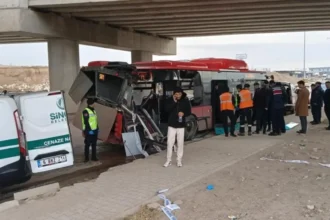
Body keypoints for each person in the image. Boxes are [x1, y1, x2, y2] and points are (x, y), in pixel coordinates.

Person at [164, 87, 191, 168]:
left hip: (180, 125)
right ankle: (168, 160)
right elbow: (166, 109)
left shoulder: (185, 100)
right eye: (176, 94)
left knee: (180, 143)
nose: (178, 96)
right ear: (174, 94)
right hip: (171, 124)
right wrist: (174, 102)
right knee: (169, 143)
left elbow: (189, 111)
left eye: (179, 94)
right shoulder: (170, 100)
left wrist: (183, 113)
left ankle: (179, 160)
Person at [82, 98, 99, 162]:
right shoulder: (85, 111)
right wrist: (88, 131)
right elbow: (86, 122)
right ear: (92, 103)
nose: (96, 103)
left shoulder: (93, 110)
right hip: (89, 131)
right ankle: (86, 158)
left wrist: (97, 128)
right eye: (95, 102)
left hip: (94, 130)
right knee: (87, 144)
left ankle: (94, 157)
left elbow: (94, 121)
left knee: (94, 144)